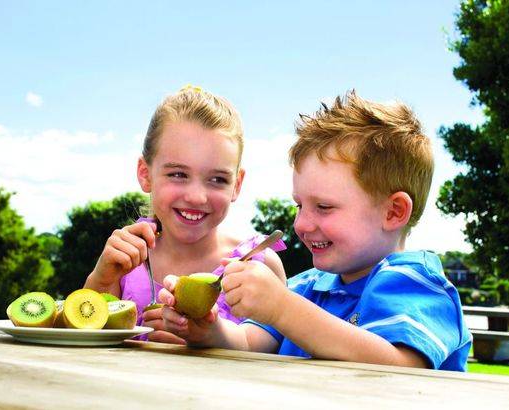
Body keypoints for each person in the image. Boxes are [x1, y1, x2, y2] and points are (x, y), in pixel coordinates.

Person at [159, 91, 472, 370]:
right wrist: (208, 330)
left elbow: (399, 366)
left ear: (394, 212)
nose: (302, 224)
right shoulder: (308, 287)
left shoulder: (415, 283)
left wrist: (281, 308)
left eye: (324, 207)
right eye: (299, 206)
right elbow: (249, 341)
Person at [84, 85, 287, 344]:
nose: (196, 197)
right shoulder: (126, 260)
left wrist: (209, 334)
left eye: (217, 179)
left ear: (236, 185)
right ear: (145, 174)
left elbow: (266, 347)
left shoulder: (256, 264)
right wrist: (100, 280)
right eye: (178, 174)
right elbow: (85, 331)